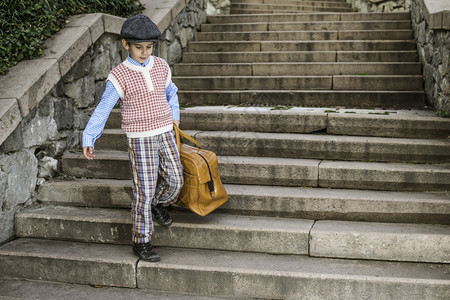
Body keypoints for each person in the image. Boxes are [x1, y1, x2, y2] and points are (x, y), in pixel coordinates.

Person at [82, 15, 184, 262]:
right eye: (139, 47)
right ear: (126, 44)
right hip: (140, 139)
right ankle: (142, 240)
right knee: (143, 191)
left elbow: (172, 93)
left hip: (165, 132)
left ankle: (158, 203)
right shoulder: (119, 75)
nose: (145, 52)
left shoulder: (161, 66)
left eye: (149, 47)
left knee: (177, 179)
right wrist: (89, 136)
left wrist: (175, 116)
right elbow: (104, 107)